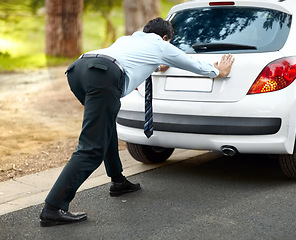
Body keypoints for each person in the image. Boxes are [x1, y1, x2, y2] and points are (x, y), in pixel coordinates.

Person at [39, 17, 234, 227]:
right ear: (166, 37)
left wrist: (157, 66)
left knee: (105, 129)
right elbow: (191, 63)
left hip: (79, 70)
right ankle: (53, 208)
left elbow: (133, 61)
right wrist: (217, 71)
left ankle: (118, 181)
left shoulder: (128, 40)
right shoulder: (161, 45)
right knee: (92, 148)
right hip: (103, 77)